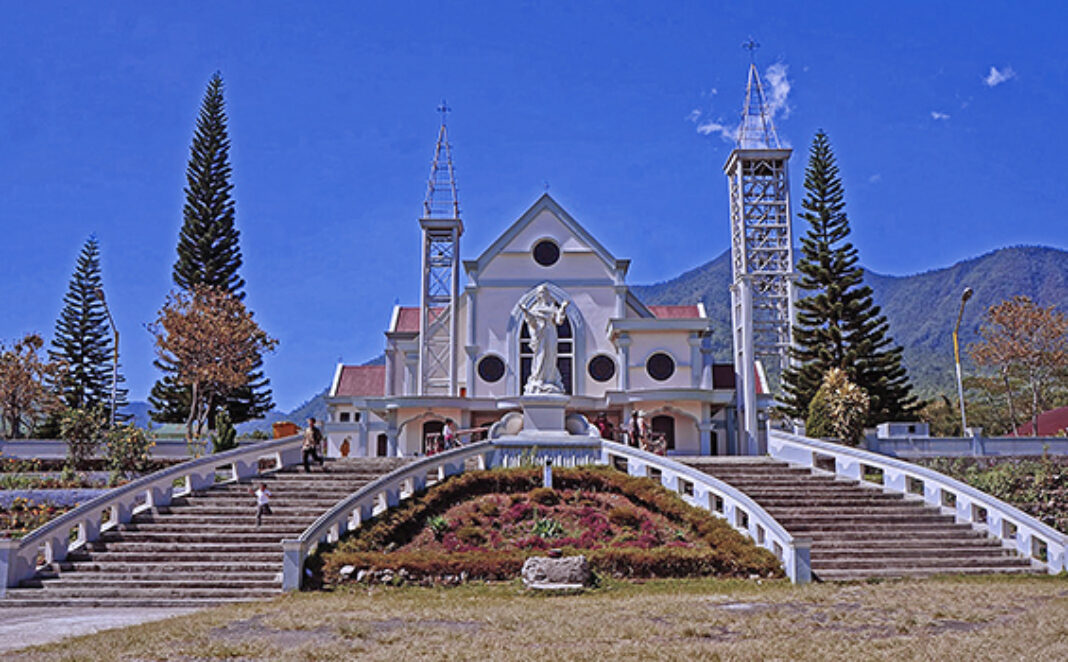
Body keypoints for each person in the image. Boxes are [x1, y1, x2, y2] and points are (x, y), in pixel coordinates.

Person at [519, 285, 569, 394]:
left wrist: (563, 308)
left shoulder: (552, 308)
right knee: (540, 355)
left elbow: (559, 320)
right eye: (541, 292)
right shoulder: (535, 309)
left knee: (551, 355)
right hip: (541, 335)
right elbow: (533, 323)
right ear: (538, 296)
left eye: (545, 292)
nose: (544, 294)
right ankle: (538, 379)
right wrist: (525, 312)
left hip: (551, 333)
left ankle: (550, 380)